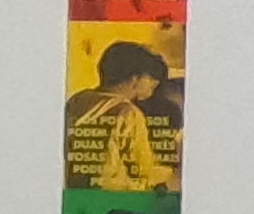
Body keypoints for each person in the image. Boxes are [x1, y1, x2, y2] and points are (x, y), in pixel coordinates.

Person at [64, 42, 174, 191]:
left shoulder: (76, 100)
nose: (154, 85)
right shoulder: (128, 113)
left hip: (75, 189)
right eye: (151, 79)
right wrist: (168, 172)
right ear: (134, 79)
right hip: (112, 195)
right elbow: (141, 170)